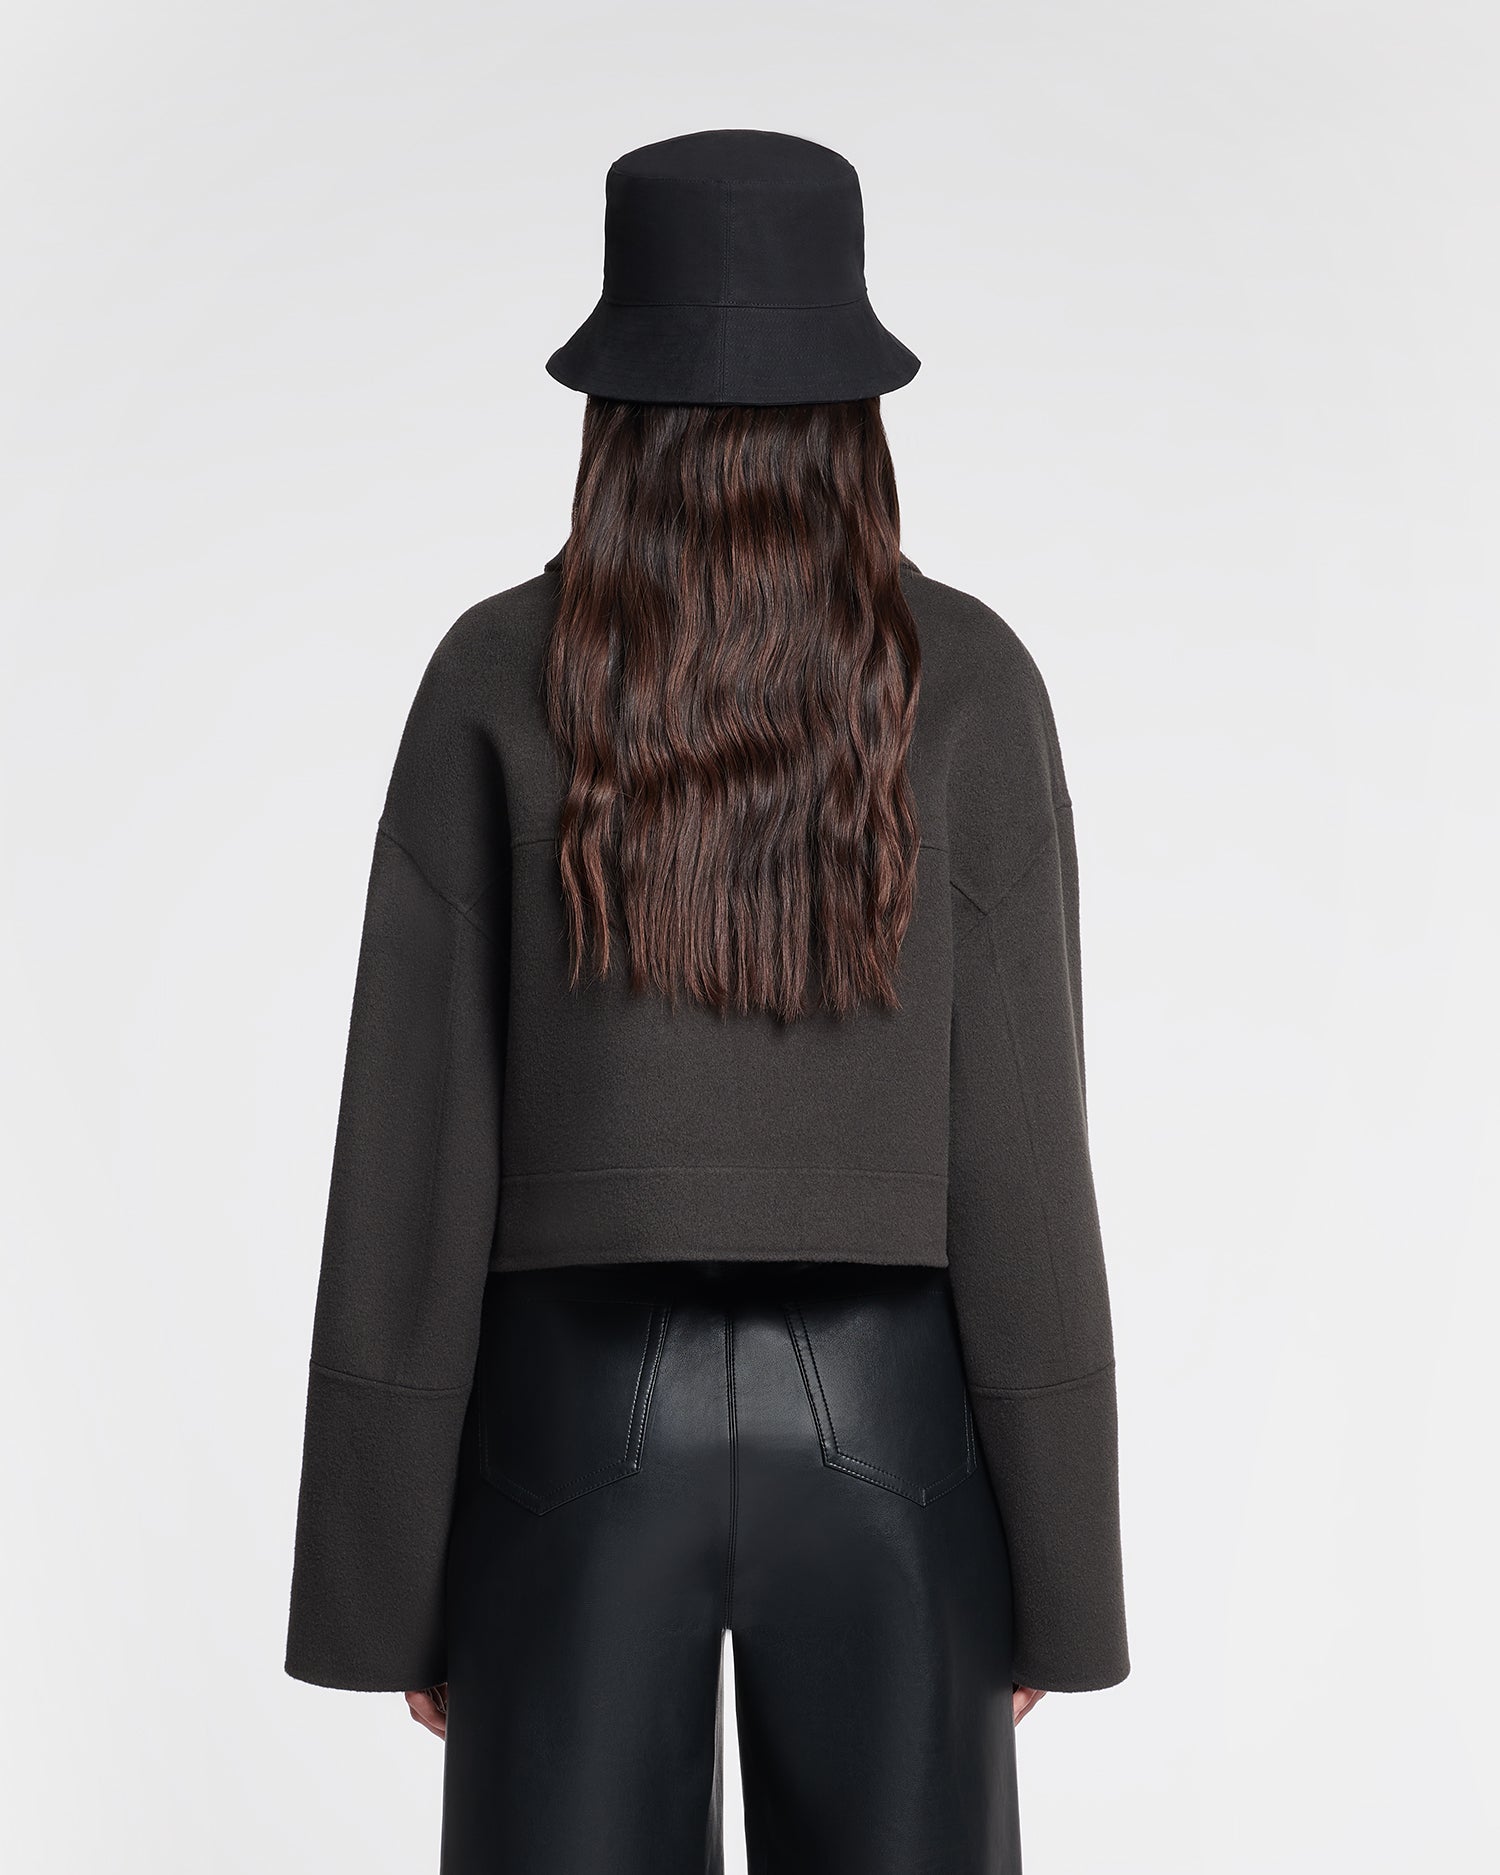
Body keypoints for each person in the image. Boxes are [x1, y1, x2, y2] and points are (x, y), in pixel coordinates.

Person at [285, 127, 1128, 1875]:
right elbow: (1024, 1155)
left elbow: (416, 1146)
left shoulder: (493, 674)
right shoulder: (970, 682)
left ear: (612, 407)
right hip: (893, 1431)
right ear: (857, 412)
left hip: (569, 1430)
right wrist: (1055, 1574)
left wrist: (391, 1581)